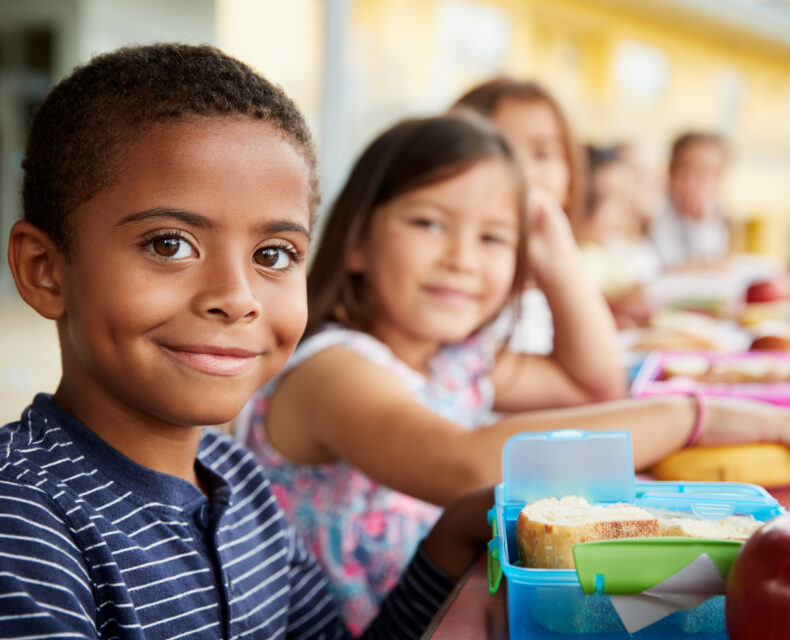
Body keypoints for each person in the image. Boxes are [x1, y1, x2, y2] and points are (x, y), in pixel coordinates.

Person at [0, 43, 495, 640]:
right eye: (169, 244)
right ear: (44, 271)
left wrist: (453, 536)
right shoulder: (22, 518)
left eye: (272, 255)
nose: (237, 297)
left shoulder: (239, 481)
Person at [239, 111, 790, 630]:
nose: (463, 257)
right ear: (356, 240)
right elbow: (467, 466)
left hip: (460, 604)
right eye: (430, 223)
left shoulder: (455, 361)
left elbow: (590, 384)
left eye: (493, 237)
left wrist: (556, 254)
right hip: (383, 627)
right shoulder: (331, 370)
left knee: (682, 597)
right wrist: (698, 413)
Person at [452, 76, 623, 367]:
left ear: (570, 183)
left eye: (543, 154)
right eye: (499, 148)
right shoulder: (458, 276)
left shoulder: (559, 281)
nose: (523, 172)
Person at [649, 131, 731, 270]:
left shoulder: (718, 210)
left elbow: (719, 259)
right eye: (692, 171)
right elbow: (669, 265)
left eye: (712, 173)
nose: (702, 181)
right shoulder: (657, 208)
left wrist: (702, 223)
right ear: (672, 171)